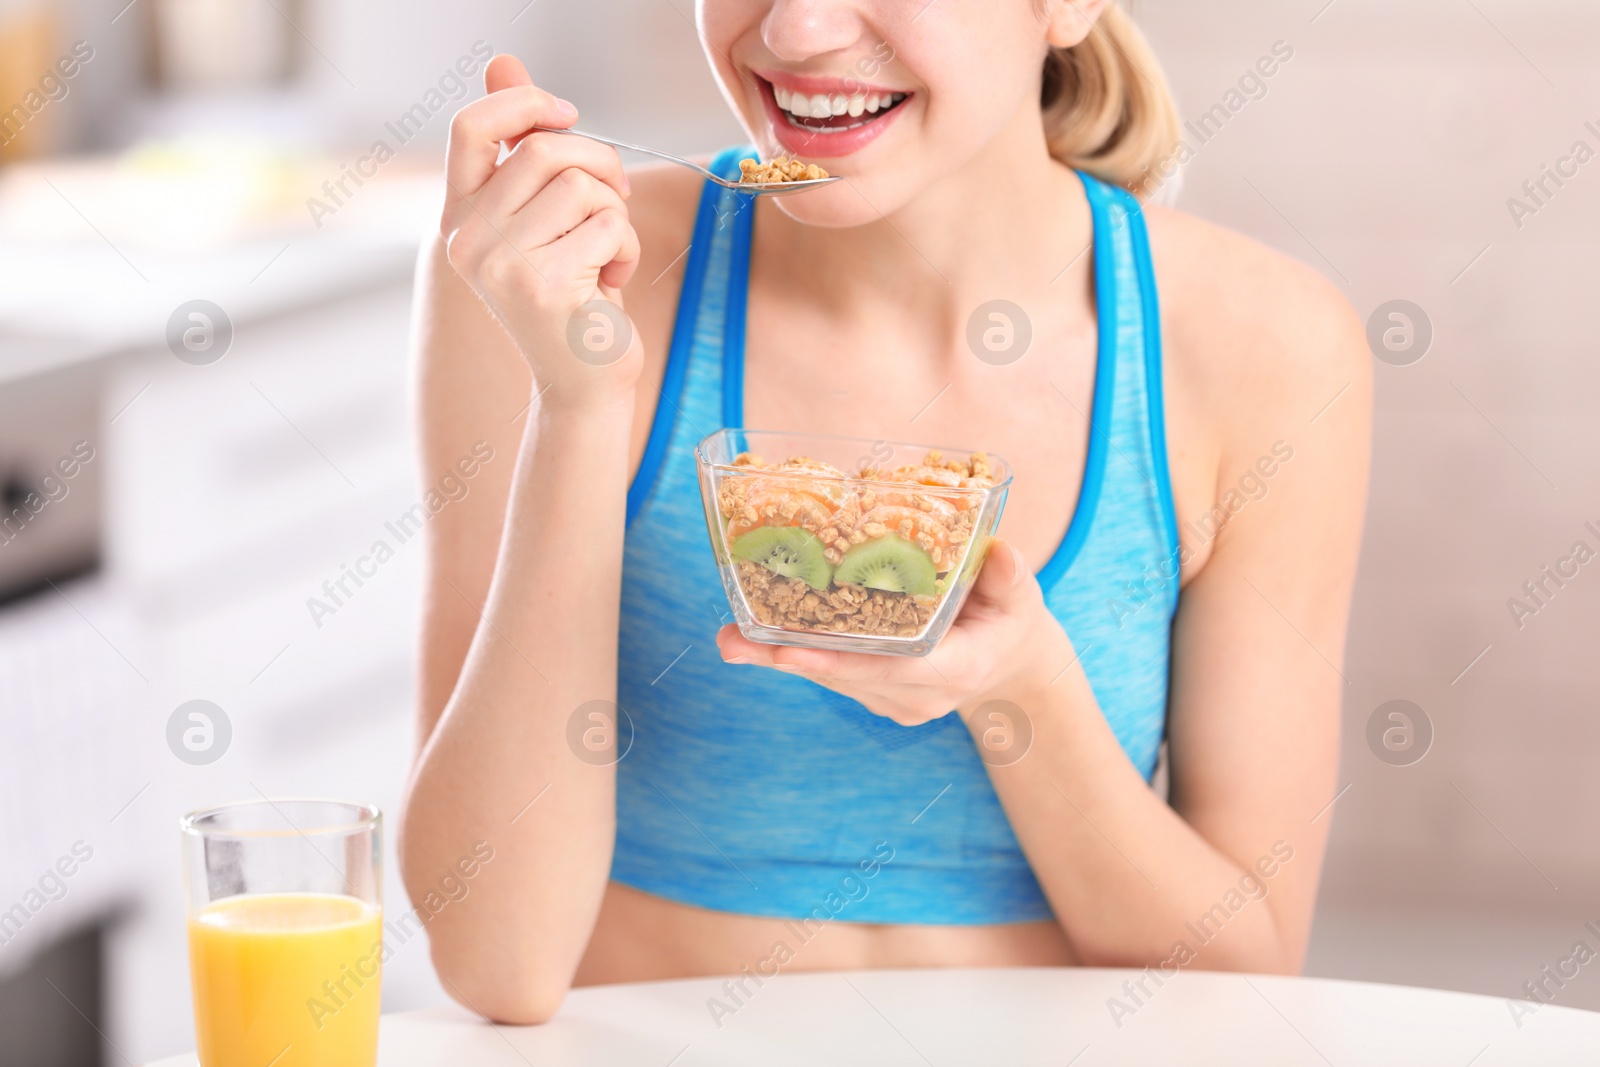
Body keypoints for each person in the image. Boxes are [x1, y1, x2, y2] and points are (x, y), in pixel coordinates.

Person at [399, 0, 1370, 1024]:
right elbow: (494, 960)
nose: (800, 31)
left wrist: (1021, 689)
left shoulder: (1266, 346)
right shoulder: (559, 279)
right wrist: (580, 402)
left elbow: (1241, 982)